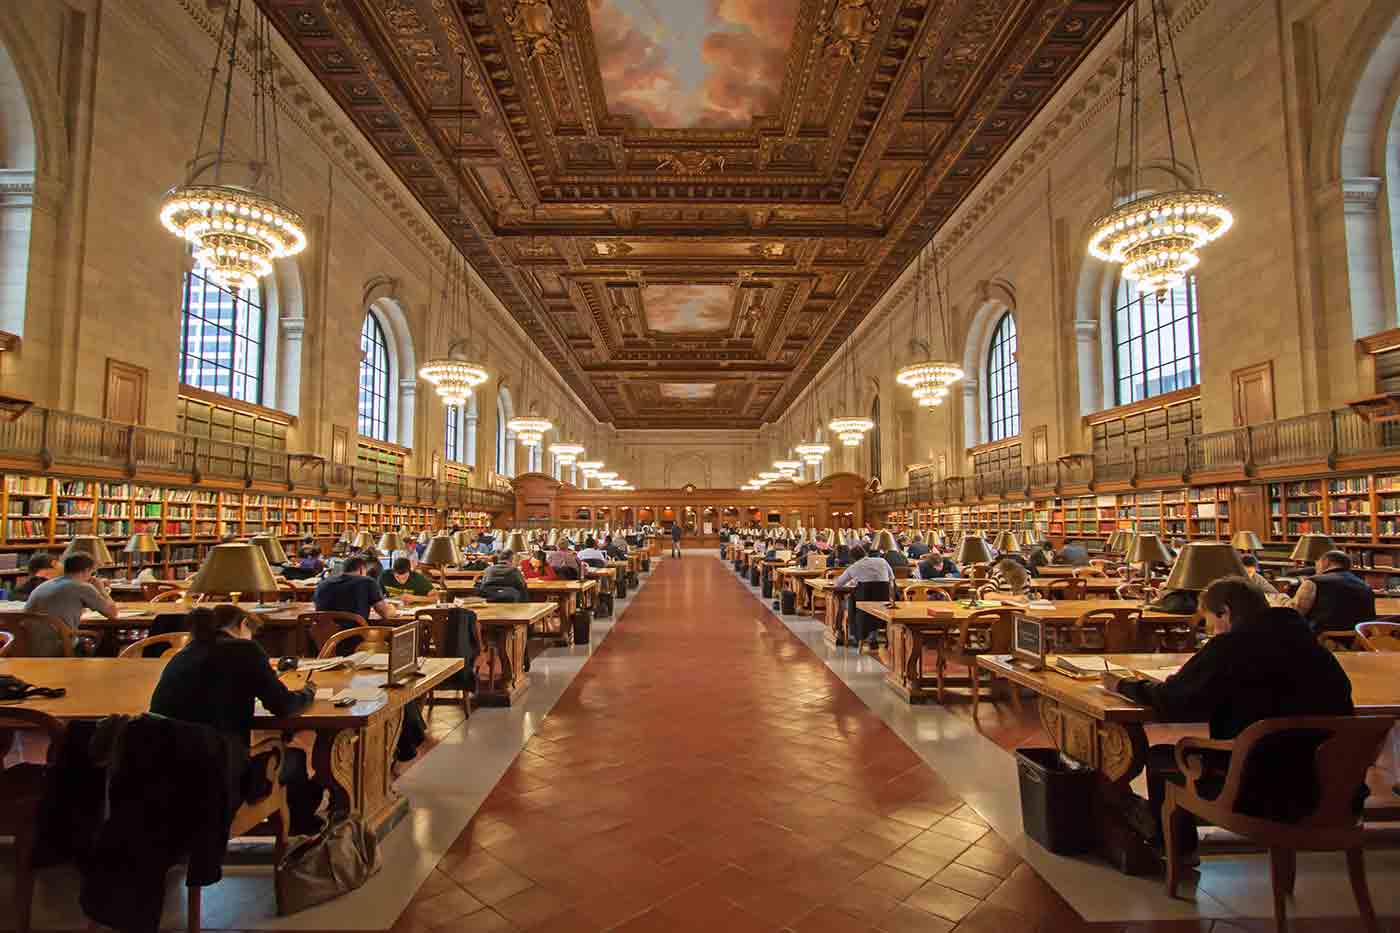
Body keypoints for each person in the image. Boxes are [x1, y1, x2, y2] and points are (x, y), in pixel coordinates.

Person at [1105, 578, 1354, 858]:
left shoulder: (1231, 647)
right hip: (1331, 787)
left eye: (1212, 623)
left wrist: (1122, 686)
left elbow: (1173, 702)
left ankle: (1176, 851)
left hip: (1256, 787)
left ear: (1226, 612)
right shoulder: (1314, 648)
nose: (1212, 632)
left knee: (1163, 757)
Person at [149, 604, 325, 834]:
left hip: (166, 767)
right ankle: (300, 831)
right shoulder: (245, 650)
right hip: (220, 770)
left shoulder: (185, 654)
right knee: (299, 751)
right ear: (243, 625)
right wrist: (308, 692)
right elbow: (285, 706)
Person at [25, 553, 119, 654]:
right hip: (60, 646)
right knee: (108, 642)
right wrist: (101, 589)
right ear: (87, 570)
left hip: (29, 645)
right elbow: (113, 613)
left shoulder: (46, 584)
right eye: (92, 572)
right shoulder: (82, 587)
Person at [1288, 549, 1375, 635]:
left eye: (1317, 563)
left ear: (1326, 562)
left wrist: (1280, 597)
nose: (1315, 567)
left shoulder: (1313, 582)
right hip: (1359, 641)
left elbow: (1294, 613)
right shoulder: (1365, 586)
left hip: (1322, 640)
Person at [834, 545, 895, 650]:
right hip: (884, 602)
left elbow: (839, 583)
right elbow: (892, 578)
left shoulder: (854, 566)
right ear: (865, 553)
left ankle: (852, 636)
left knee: (847, 603)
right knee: (873, 609)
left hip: (862, 605)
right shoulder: (882, 561)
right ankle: (873, 638)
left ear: (852, 558)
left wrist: (854, 581)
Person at [313, 555, 396, 621]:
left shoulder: (323, 583)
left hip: (324, 638)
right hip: (355, 636)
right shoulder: (367, 582)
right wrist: (392, 608)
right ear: (361, 569)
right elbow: (385, 613)